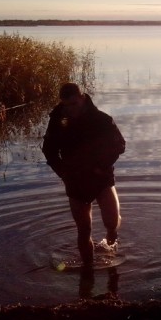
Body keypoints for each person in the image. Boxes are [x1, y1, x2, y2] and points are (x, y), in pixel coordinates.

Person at [42, 83, 126, 267]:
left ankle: (111, 238)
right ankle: (88, 270)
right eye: (66, 105)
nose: (70, 109)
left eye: (74, 104)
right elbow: (49, 151)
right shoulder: (57, 122)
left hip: (101, 177)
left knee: (111, 223)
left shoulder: (102, 120)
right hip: (75, 180)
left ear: (82, 98)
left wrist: (101, 166)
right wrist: (63, 173)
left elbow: (119, 145)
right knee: (83, 229)